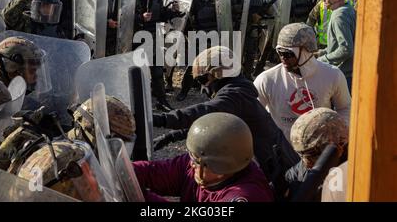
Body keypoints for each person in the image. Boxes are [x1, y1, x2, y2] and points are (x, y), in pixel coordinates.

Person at [154, 46, 300, 185]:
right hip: (271, 163)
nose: (203, 87)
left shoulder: (235, 95)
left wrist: (162, 119)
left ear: (217, 74)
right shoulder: (238, 92)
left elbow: (207, 111)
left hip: (278, 169)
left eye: (202, 80)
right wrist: (172, 136)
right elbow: (210, 123)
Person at [134, 112, 274, 202]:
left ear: (219, 168)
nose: (191, 163)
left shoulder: (246, 195)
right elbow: (154, 172)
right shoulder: (200, 165)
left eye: (195, 160)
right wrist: (124, 171)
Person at [254, 23, 351, 142]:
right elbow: (254, 117)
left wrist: (337, 135)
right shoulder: (266, 80)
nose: (283, 58)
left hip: (320, 149)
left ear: (306, 52)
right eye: (280, 52)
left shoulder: (333, 75)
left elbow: (345, 108)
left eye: (288, 54)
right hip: (283, 152)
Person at [284, 107, 348, 201]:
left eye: (311, 154)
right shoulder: (303, 169)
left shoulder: (355, 172)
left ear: (339, 147)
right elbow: (293, 175)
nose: (306, 163)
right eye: (301, 154)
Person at [316, 0, 356, 92]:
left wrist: (322, 59)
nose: (323, 0)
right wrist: (320, 53)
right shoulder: (348, 9)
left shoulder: (339, 15)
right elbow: (337, 46)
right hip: (348, 74)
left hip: (342, 74)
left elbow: (346, 49)